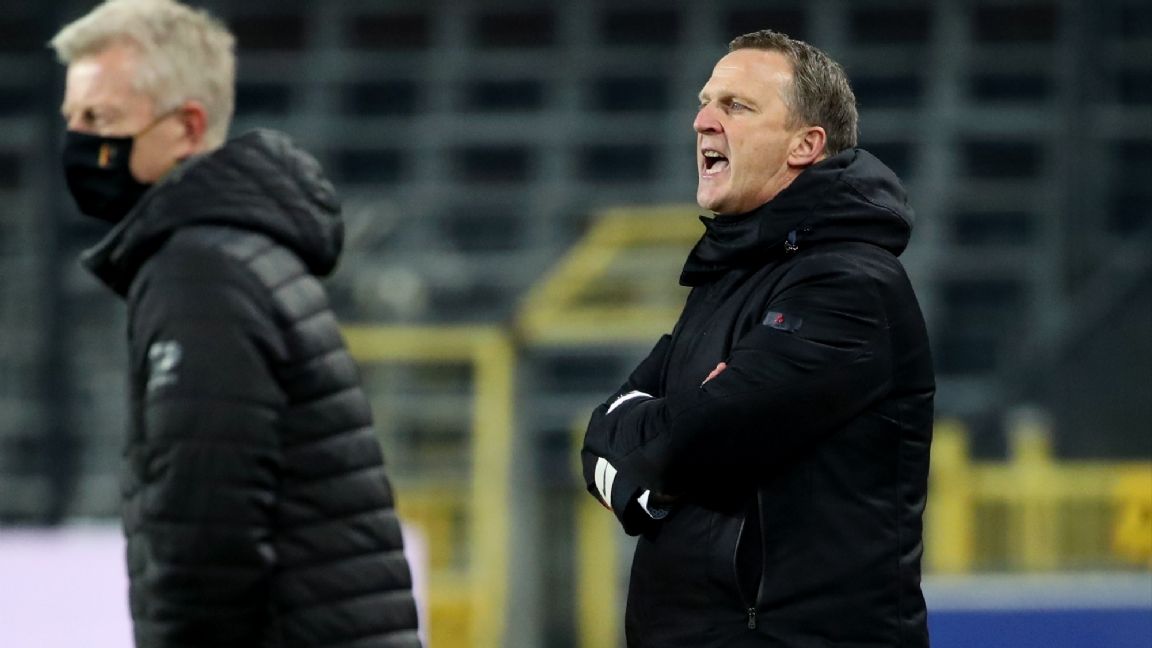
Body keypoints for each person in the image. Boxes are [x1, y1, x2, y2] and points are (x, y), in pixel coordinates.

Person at [50, 1, 421, 646]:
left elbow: (206, 533)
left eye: (100, 119)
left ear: (188, 127)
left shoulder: (198, 272)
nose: (79, 141)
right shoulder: (243, 252)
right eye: (72, 119)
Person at [582, 29, 934, 648]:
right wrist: (655, 463)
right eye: (705, 102)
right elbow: (600, 434)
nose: (702, 121)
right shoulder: (727, 280)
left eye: (736, 106)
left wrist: (661, 447)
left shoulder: (849, 283)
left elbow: (701, 436)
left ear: (806, 145)